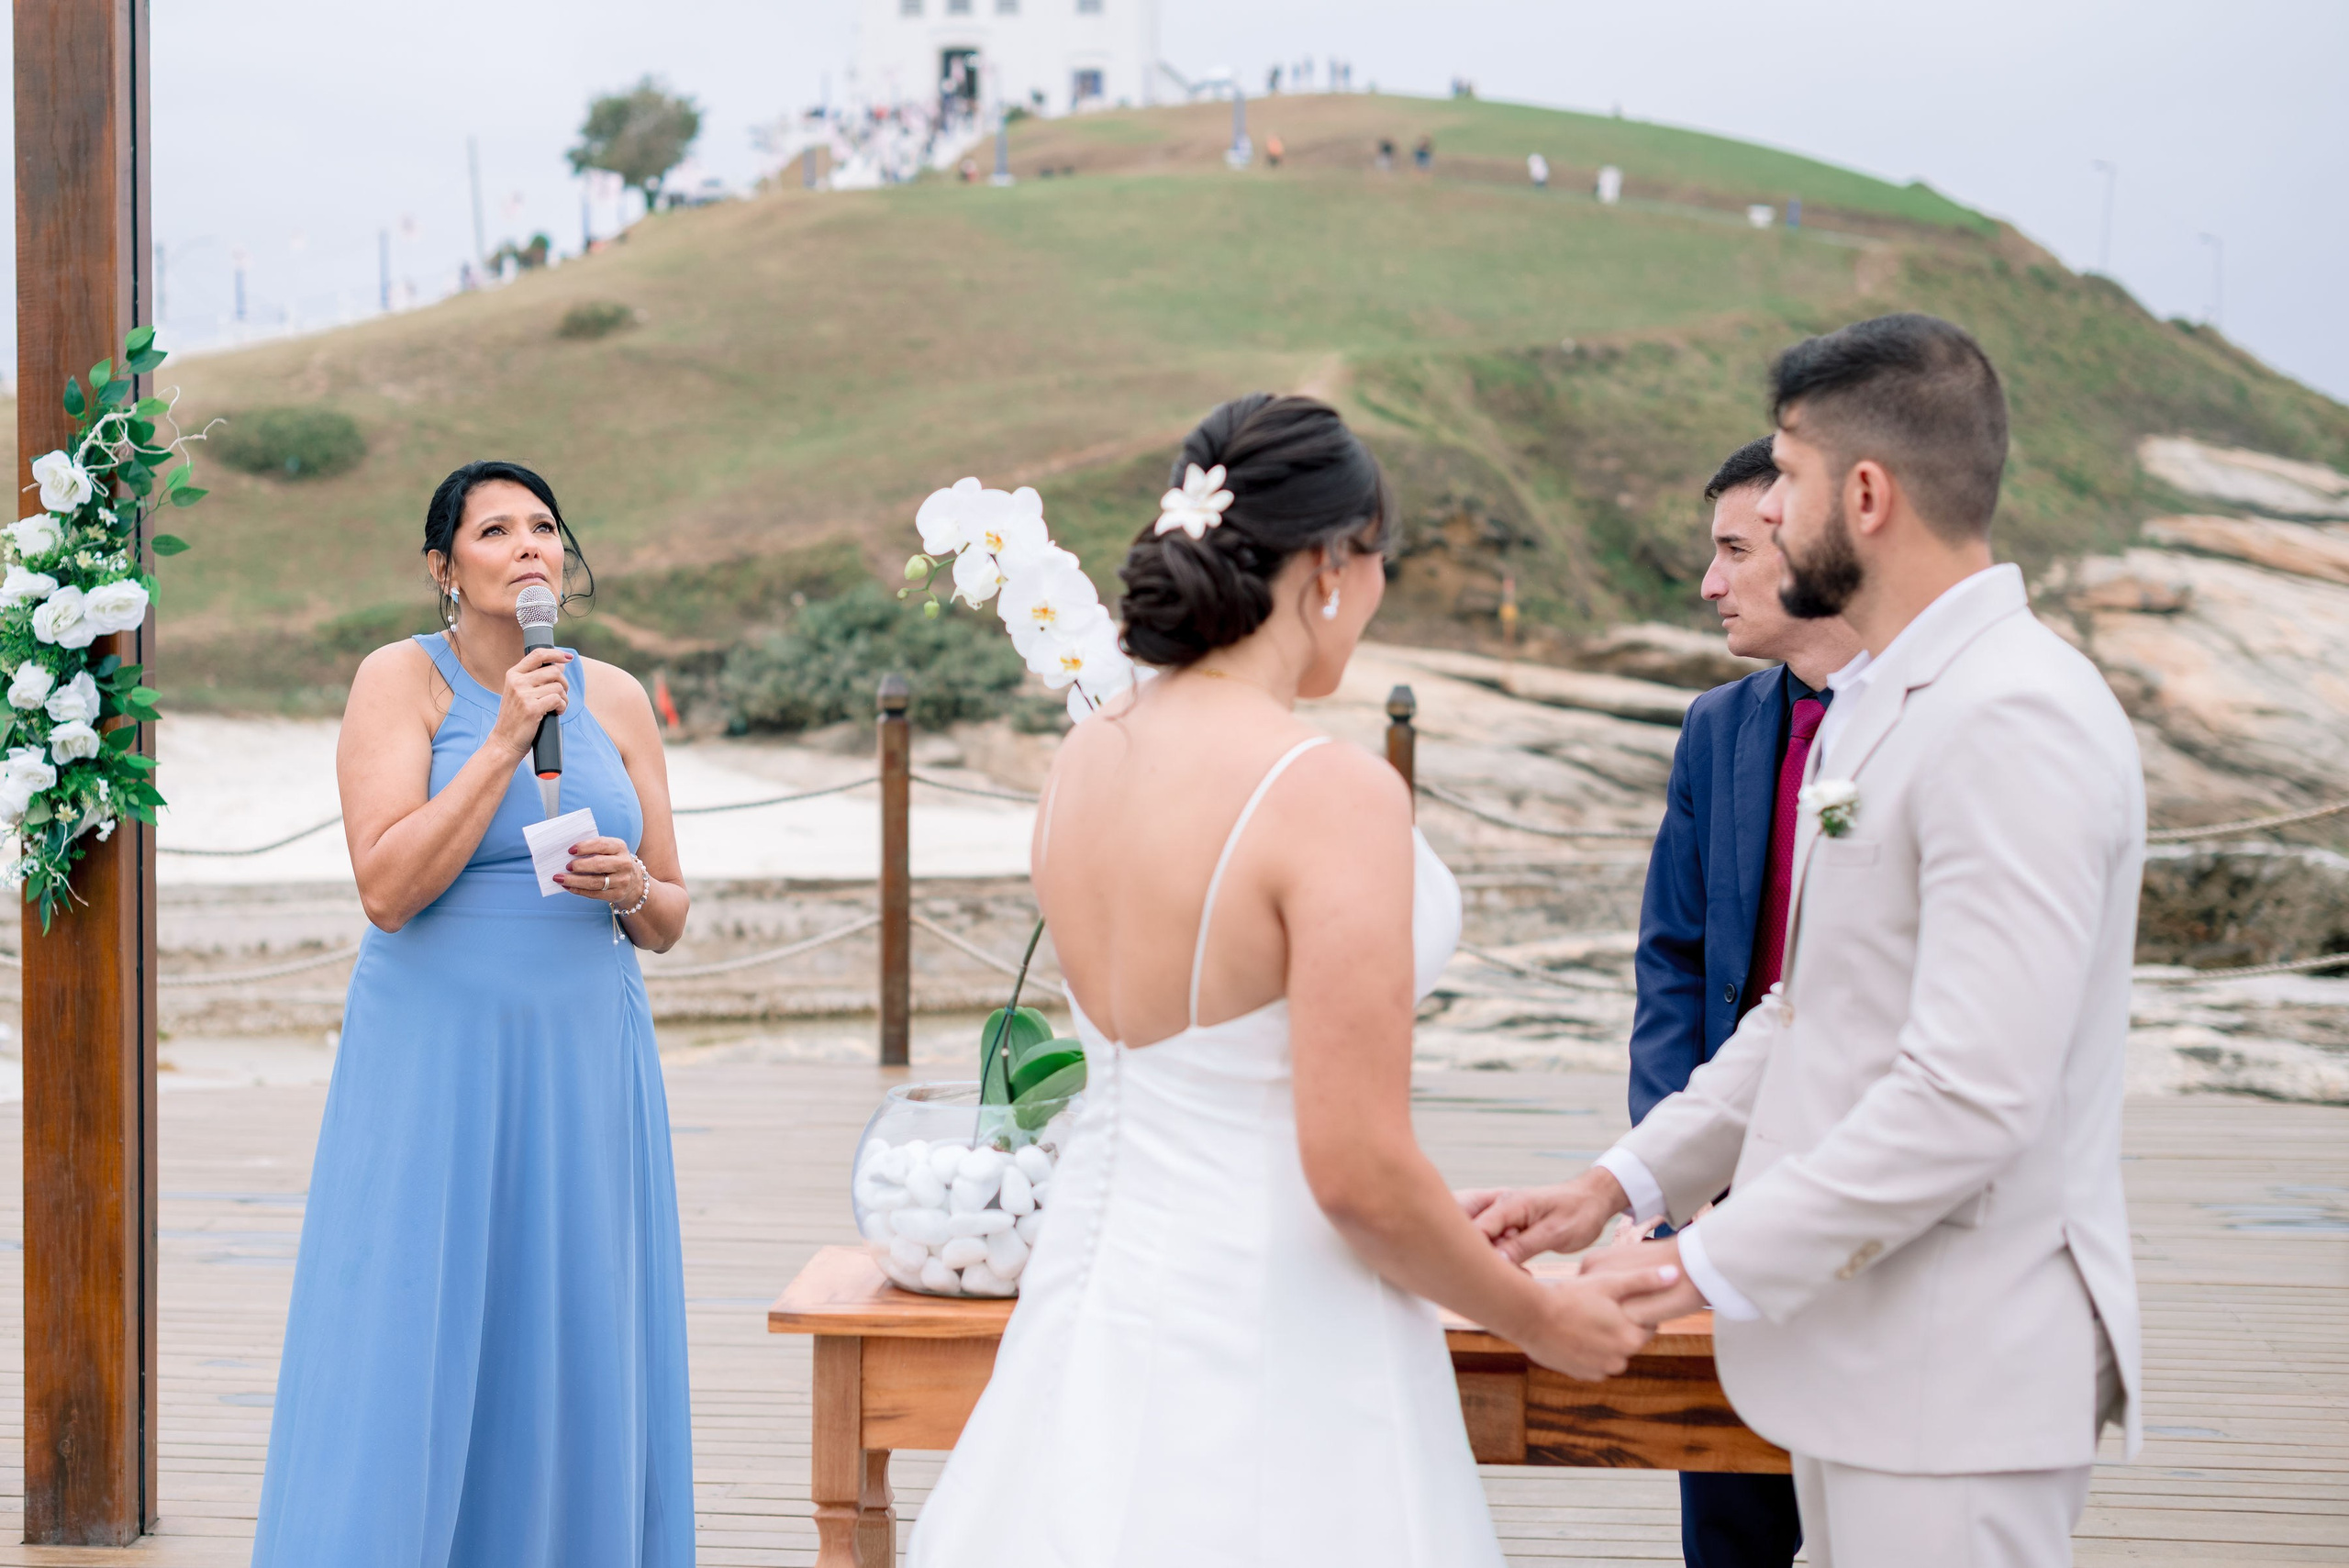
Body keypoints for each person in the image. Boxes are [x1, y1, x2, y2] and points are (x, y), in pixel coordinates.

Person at [907, 395, 1680, 1567]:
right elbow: (1355, 1168)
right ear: (1329, 566)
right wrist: (1541, 1317)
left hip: (1097, 1309)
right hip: (1280, 1327)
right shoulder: (1326, 792)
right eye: (1379, 563)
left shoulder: (1087, 754)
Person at [1470, 315, 2143, 1566]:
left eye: (1785, 475)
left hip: (1956, 1384)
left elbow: (1968, 1095)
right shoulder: (1878, 704)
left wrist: (1692, 1268)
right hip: (1859, 1362)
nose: (1769, 511)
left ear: (1866, 495)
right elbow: (1804, 1012)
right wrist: (1611, 1187)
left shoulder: (2015, 717)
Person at [252, 461, 696, 1568]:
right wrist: (503, 738)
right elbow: (386, 888)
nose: (528, 544)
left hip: (585, 1049)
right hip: (437, 1048)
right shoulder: (400, 680)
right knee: (413, 1310)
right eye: (494, 529)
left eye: (544, 526)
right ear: (443, 566)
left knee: (572, 1315)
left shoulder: (618, 696)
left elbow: (671, 912)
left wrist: (630, 883)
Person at [1633, 439, 1860, 1567]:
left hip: (1873, 1199)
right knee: (1727, 1521)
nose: (1708, 582)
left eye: (1731, 551)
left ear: (1809, 546)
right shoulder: (1715, 727)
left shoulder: (1934, 729)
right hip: (1721, 1182)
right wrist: (1667, 1179)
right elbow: (1672, 964)